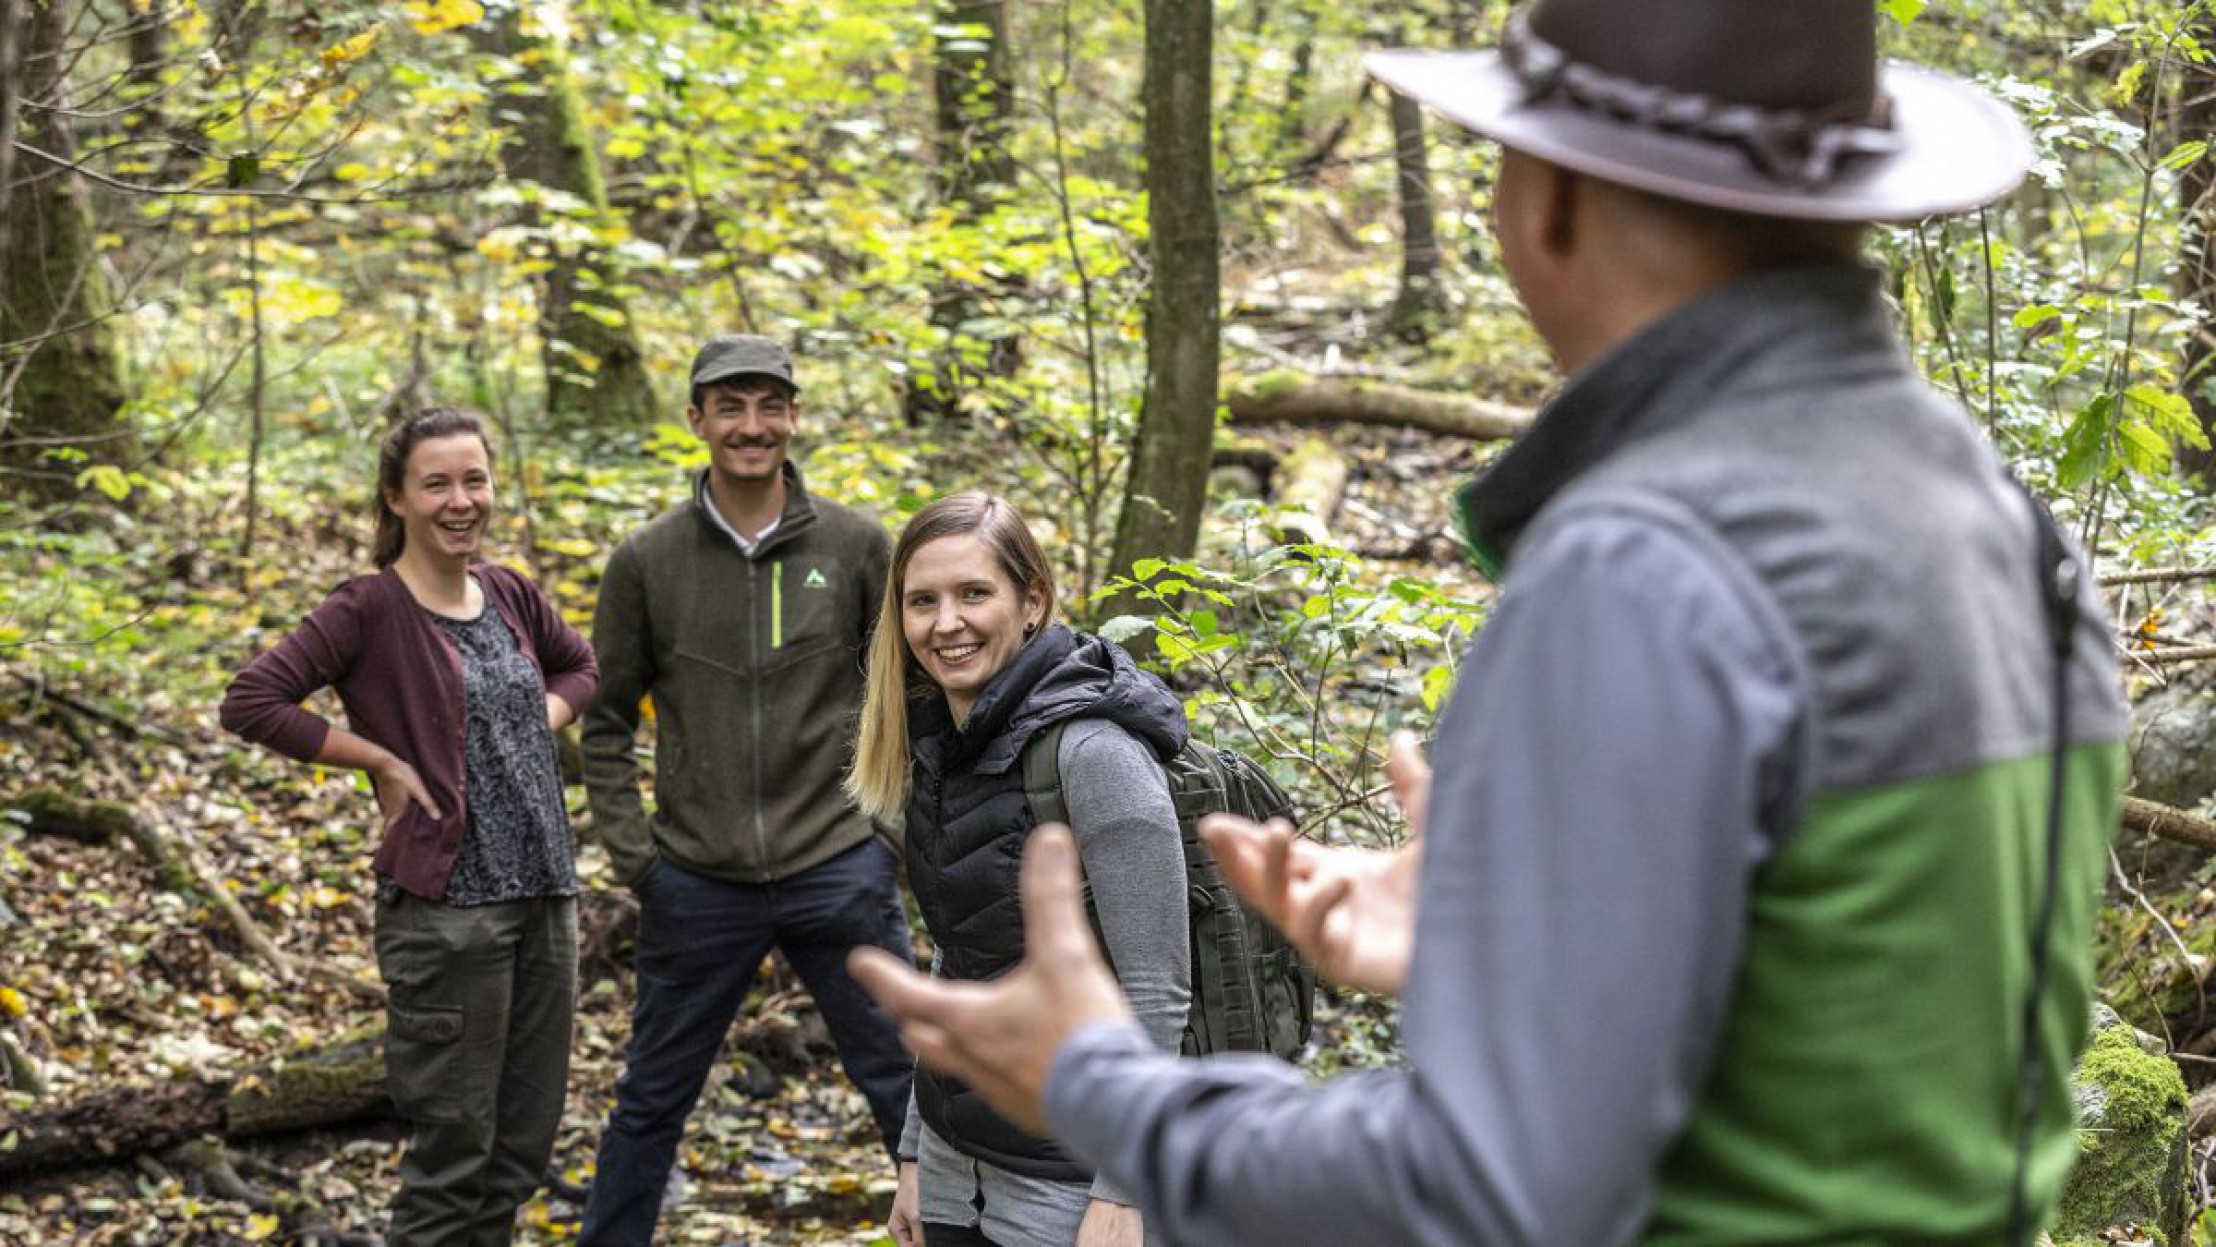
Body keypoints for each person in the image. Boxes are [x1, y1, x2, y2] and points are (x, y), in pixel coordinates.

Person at [846, 1, 2131, 1243]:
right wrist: (1497, 933)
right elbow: (1877, 1026)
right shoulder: (2006, 531)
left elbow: (1486, 1190)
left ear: (1554, 201)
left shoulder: (1644, 561)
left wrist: (1106, 1095)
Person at [220, 408, 598, 1245]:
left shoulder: (507, 592)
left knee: (519, 1151)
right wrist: (379, 761)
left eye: (475, 479)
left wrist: (542, 714)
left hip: (546, 899)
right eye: (437, 483)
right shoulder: (369, 608)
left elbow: (584, 665)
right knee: (452, 1162)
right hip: (449, 915)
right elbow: (252, 701)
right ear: (396, 497)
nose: (461, 500)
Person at [578, 334, 913, 1245]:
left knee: (911, 1091)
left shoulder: (855, 546)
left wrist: (885, 836)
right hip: (697, 880)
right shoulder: (646, 560)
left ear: (794, 417)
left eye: (769, 405)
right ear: (697, 420)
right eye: (731, 407)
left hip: (839, 867)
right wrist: (640, 861)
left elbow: (906, 698)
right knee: (649, 1102)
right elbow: (603, 723)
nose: (751, 426)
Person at [846, 492, 1191, 1247]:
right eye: (922, 601)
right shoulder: (939, 742)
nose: (946, 623)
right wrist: (913, 1147)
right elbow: (956, 955)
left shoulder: (1094, 752)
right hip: (951, 1162)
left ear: (1032, 600)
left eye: (974, 593)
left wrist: (1124, 1193)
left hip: (1066, 1180)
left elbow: (1158, 991)